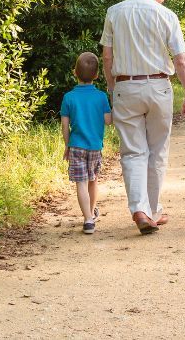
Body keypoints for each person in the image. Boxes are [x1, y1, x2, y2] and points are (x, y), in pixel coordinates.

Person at [101, 0, 185, 235]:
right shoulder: (166, 15)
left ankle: (139, 209)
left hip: (125, 86)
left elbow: (107, 57)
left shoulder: (114, 12)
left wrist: (113, 90)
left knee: (133, 151)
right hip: (158, 86)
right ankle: (153, 210)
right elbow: (180, 59)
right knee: (157, 151)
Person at [60, 52, 113, 234]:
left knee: (81, 183)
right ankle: (91, 212)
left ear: (75, 72)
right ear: (97, 75)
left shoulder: (69, 97)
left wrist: (67, 145)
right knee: (93, 180)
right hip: (95, 147)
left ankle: (88, 219)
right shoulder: (101, 97)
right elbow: (108, 121)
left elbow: (65, 126)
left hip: (76, 146)